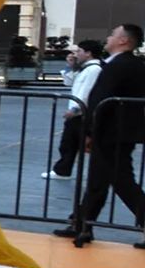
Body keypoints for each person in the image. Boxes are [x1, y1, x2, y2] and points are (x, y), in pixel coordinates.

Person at [58, 23, 145, 247]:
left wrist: (89, 131)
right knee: (98, 180)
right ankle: (81, 224)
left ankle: (83, 224)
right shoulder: (133, 65)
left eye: (113, 34)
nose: (108, 37)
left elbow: (100, 100)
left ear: (124, 41)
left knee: (122, 181)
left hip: (110, 132)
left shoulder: (118, 67)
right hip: (121, 131)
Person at [42, 39, 105, 180]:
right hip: (78, 111)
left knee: (74, 141)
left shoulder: (94, 69)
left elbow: (86, 92)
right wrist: (71, 66)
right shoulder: (86, 68)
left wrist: (76, 109)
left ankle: (63, 170)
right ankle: (63, 170)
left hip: (81, 112)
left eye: (79, 51)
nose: (76, 54)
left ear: (88, 53)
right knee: (70, 142)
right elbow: (69, 82)